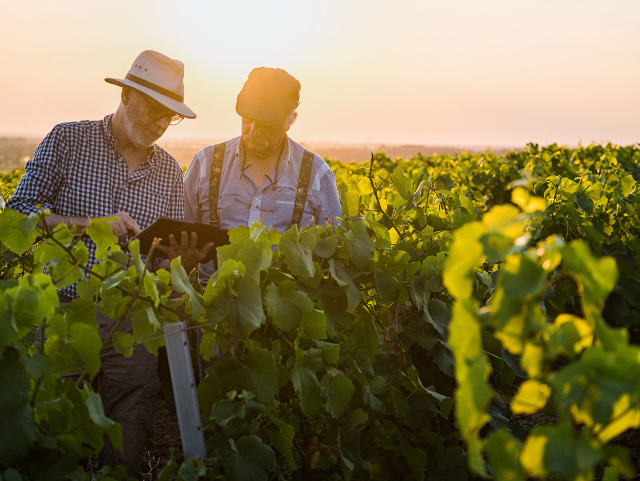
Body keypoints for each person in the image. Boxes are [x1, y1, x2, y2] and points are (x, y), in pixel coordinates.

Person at [6, 50, 206, 478]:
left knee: (127, 438)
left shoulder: (170, 171)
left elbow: (162, 264)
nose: (159, 124)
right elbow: (17, 214)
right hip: (63, 311)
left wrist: (181, 262)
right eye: (155, 110)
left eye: (169, 118)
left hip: (134, 322)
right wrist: (91, 226)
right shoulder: (68, 140)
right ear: (128, 95)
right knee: (57, 435)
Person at [182, 67, 342, 379]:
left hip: (285, 323)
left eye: (265, 124)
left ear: (290, 120)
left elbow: (334, 252)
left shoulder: (317, 175)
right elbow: (179, 240)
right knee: (218, 408)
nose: (252, 130)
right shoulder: (204, 165)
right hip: (216, 317)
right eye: (247, 119)